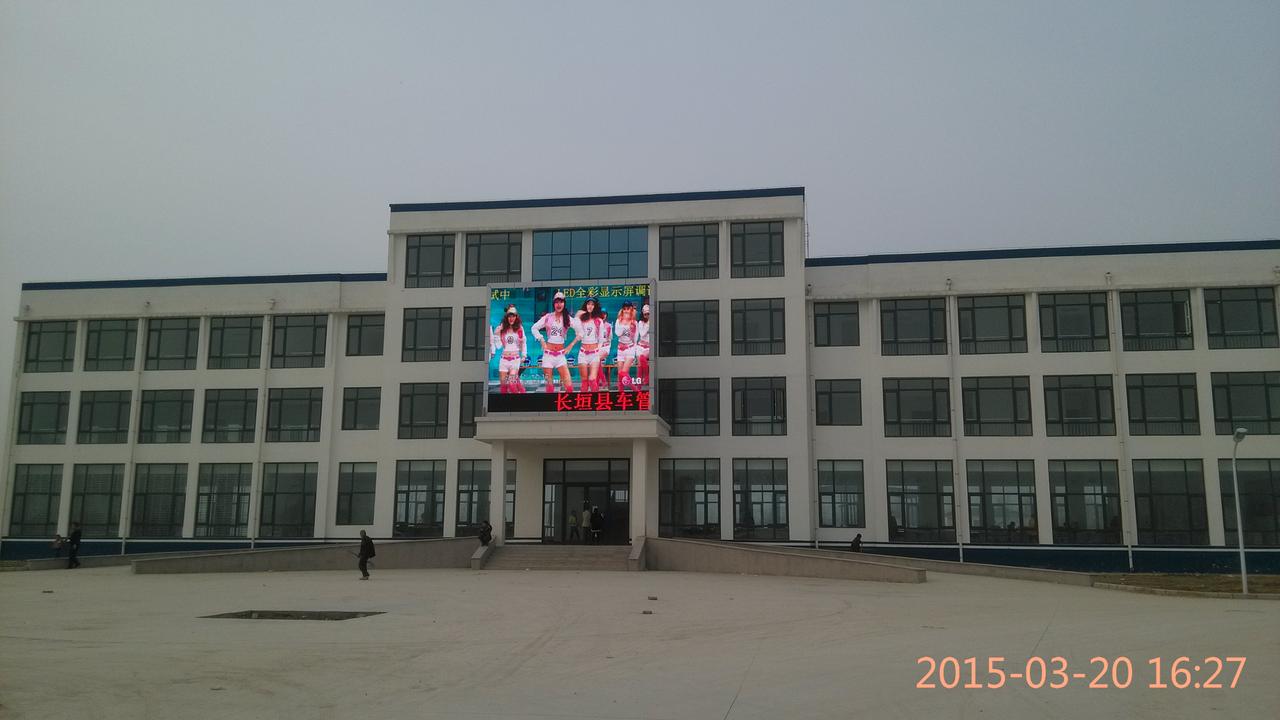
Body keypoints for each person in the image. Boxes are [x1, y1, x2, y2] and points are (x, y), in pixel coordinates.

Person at [531, 292, 577, 393]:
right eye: (556, 302)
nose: (559, 304)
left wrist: (571, 345)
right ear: (553, 304)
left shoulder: (567, 318)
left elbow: (580, 331)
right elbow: (534, 328)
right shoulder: (548, 317)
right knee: (549, 386)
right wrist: (542, 340)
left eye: (561, 302)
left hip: (560, 356)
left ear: (564, 303)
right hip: (548, 356)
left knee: (569, 387)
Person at [571, 297, 607, 392]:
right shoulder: (581, 319)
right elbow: (575, 329)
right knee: (584, 381)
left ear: (595, 306)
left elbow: (601, 339)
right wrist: (577, 315)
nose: (590, 306)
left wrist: (598, 350)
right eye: (588, 304)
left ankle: (595, 399)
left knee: (592, 379)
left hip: (594, 354)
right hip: (583, 353)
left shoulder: (599, 320)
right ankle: (584, 401)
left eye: (592, 304)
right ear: (585, 305)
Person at [491, 304, 528, 394]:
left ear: (516, 317)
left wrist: (524, 355)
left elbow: (523, 342)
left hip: (515, 360)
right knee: (503, 387)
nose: (511, 318)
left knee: (512, 384)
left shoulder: (520, 328)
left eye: (513, 316)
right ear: (506, 317)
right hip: (503, 360)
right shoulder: (502, 328)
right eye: (509, 316)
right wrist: (496, 334)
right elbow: (499, 346)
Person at [612, 301, 640, 391]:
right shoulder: (618, 321)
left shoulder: (634, 322)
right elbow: (618, 333)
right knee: (620, 375)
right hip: (620, 349)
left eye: (628, 308)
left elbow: (635, 339)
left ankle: (635, 390)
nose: (626, 311)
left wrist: (632, 329)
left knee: (623, 373)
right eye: (624, 309)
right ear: (622, 310)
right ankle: (621, 393)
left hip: (630, 349)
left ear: (631, 310)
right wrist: (623, 323)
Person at [636, 303, 651, 389]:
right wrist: (648, 325)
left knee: (642, 358)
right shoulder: (641, 322)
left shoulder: (654, 322)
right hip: (640, 346)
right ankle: (639, 384)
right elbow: (642, 334)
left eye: (648, 314)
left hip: (649, 347)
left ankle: (646, 377)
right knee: (640, 365)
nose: (647, 315)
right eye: (645, 314)